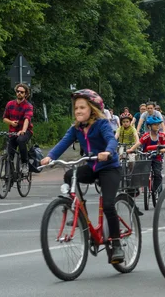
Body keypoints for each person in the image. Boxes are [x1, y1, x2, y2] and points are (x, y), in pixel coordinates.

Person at [40, 89, 124, 264]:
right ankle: (78, 211)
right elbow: (63, 142)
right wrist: (50, 157)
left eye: (82, 107)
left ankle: (116, 243)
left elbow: (111, 139)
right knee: (70, 175)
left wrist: (108, 152)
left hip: (109, 167)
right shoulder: (76, 128)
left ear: (92, 109)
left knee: (108, 204)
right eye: (76, 108)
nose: (78, 111)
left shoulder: (101, 124)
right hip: (92, 166)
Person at [127, 115, 165, 198]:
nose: (157, 126)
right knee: (140, 172)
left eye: (158, 124)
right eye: (155, 124)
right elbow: (139, 143)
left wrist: (161, 150)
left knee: (157, 174)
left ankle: (157, 190)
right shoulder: (146, 136)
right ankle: (135, 189)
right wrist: (131, 150)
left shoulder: (161, 136)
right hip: (147, 158)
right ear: (149, 126)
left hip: (157, 158)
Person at [3, 83, 34, 175]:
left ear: (26, 94)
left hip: (26, 131)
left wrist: (23, 131)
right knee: (9, 153)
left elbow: (27, 119)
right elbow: (4, 118)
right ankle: (8, 175)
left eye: (22, 92)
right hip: (13, 132)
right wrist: (11, 123)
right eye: (18, 91)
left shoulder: (28, 106)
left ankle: (24, 164)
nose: (19, 93)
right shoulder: (10, 104)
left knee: (21, 140)